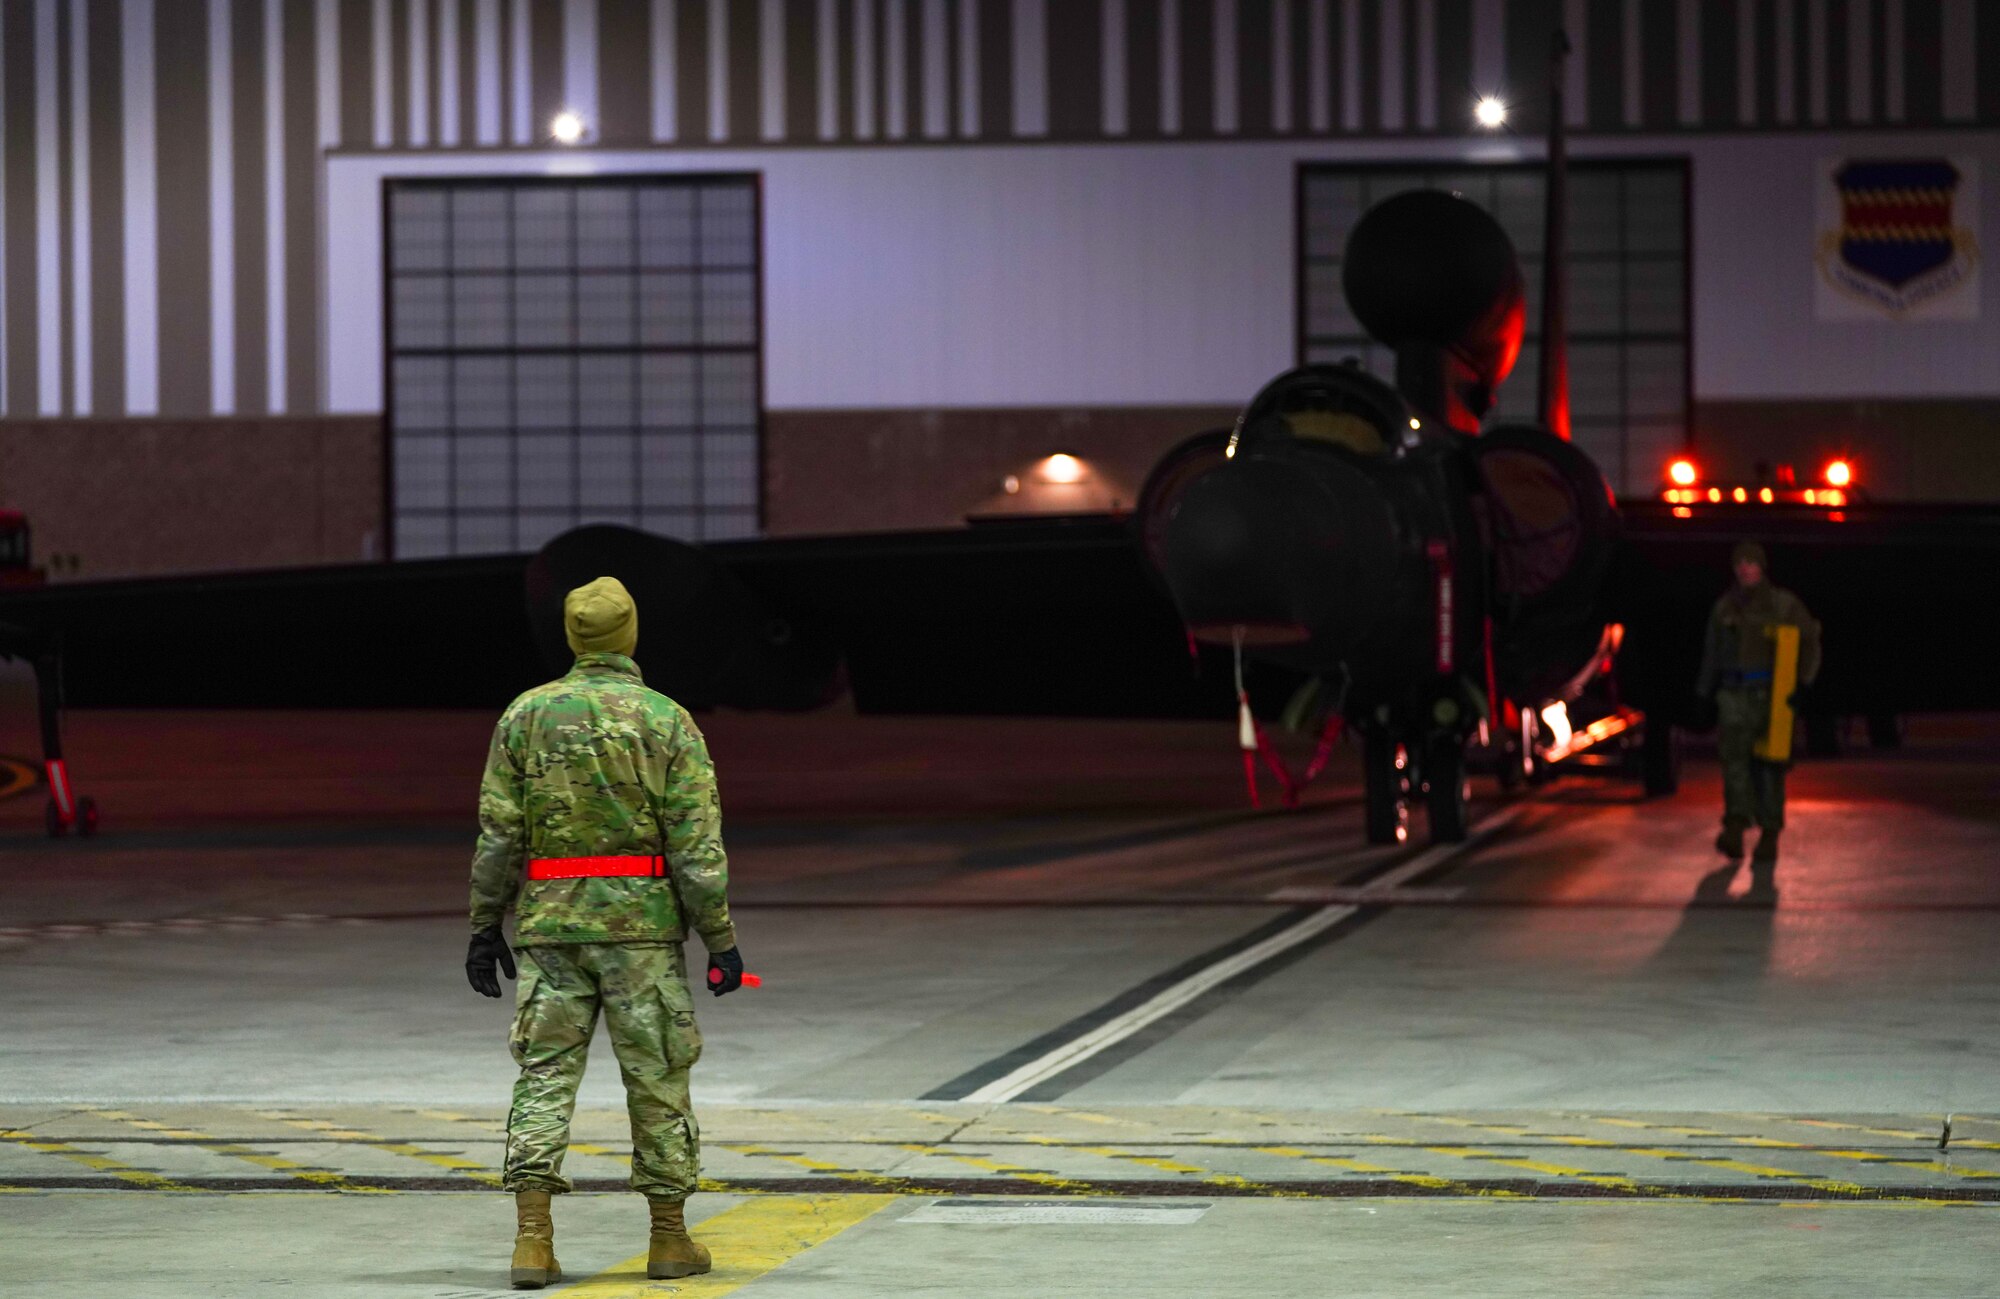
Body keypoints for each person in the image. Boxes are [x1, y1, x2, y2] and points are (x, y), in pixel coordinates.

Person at [465, 575, 744, 1290]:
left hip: (551, 929)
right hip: (642, 935)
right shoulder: (667, 719)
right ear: (630, 636)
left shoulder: (526, 715)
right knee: (658, 1079)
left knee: (544, 1077)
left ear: (571, 636)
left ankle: (533, 1241)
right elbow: (695, 844)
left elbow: (499, 833)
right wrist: (719, 938)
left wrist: (483, 924)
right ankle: (669, 1239)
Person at [1694, 540, 1821, 879]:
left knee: (1770, 768)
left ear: (1762, 567)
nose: (1745, 568)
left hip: (1771, 696)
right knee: (1733, 764)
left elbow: (1809, 641)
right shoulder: (1725, 608)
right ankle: (1734, 828)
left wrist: (1802, 685)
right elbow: (1712, 652)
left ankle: (1769, 834)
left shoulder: (1783, 605)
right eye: (1740, 563)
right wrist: (1704, 693)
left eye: (1752, 562)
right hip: (1733, 695)